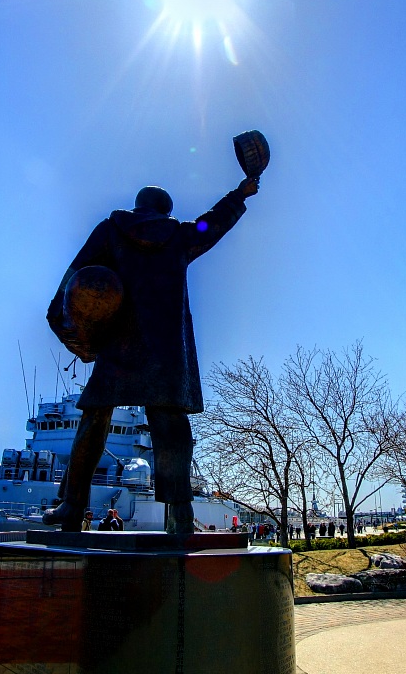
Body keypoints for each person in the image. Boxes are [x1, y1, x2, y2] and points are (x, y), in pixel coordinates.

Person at [43, 177, 260, 533]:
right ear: (165, 211)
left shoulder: (110, 230)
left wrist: (61, 316)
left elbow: (75, 277)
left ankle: (71, 508)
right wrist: (241, 192)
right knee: (170, 425)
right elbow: (213, 222)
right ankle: (181, 516)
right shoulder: (180, 235)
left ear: (138, 206)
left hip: (118, 342)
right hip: (165, 348)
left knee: (93, 421)